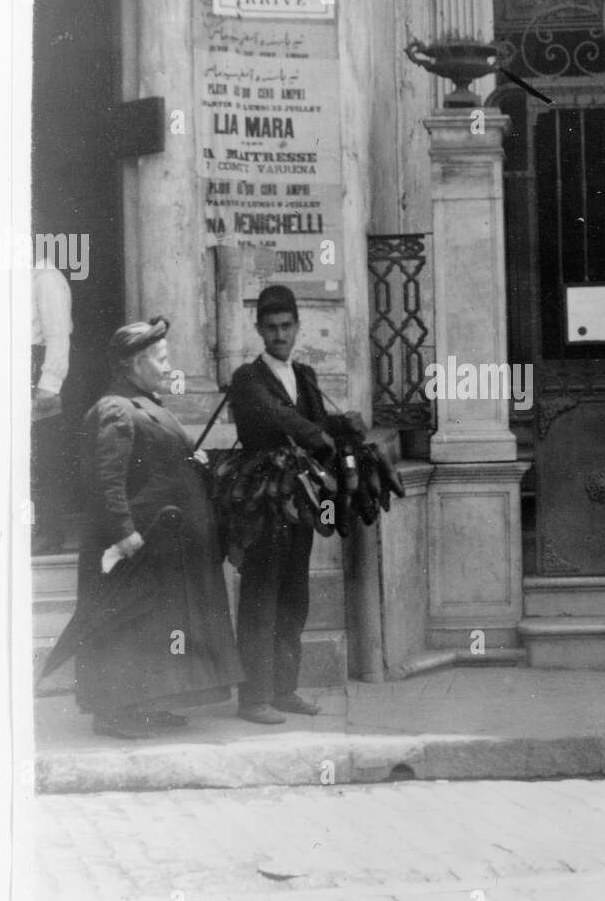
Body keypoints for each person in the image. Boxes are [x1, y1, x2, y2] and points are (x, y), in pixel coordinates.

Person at [44, 318, 243, 739]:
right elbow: (106, 479)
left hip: (162, 544)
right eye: (162, 359)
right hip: (135, 543)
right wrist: (123, 532)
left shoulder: (144, 403)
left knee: (152, 630)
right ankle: (112, 713)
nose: (168, 366)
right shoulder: (117, 408)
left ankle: (146, 705)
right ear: (134, 363)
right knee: (123, 629)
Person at [229, 285, 365, 724]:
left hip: (300, 498)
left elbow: (318, 420)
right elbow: (274, 416)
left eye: (286, 326)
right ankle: (253, 698)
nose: (279, 335)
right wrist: (317, 436)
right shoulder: (248, 378)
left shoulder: (304, 374)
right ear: (259, 330)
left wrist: (344, 424)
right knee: (260, 595)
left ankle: (284, 690)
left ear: (297, 327)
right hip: (263, 498)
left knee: (294, 595)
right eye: (270, 328)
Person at [31, 258, 73, 554]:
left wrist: (49, 384)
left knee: (44, 455)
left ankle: (49, 532)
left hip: (40, 371)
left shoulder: (45, 277)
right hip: (15, 366)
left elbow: (58, 334)